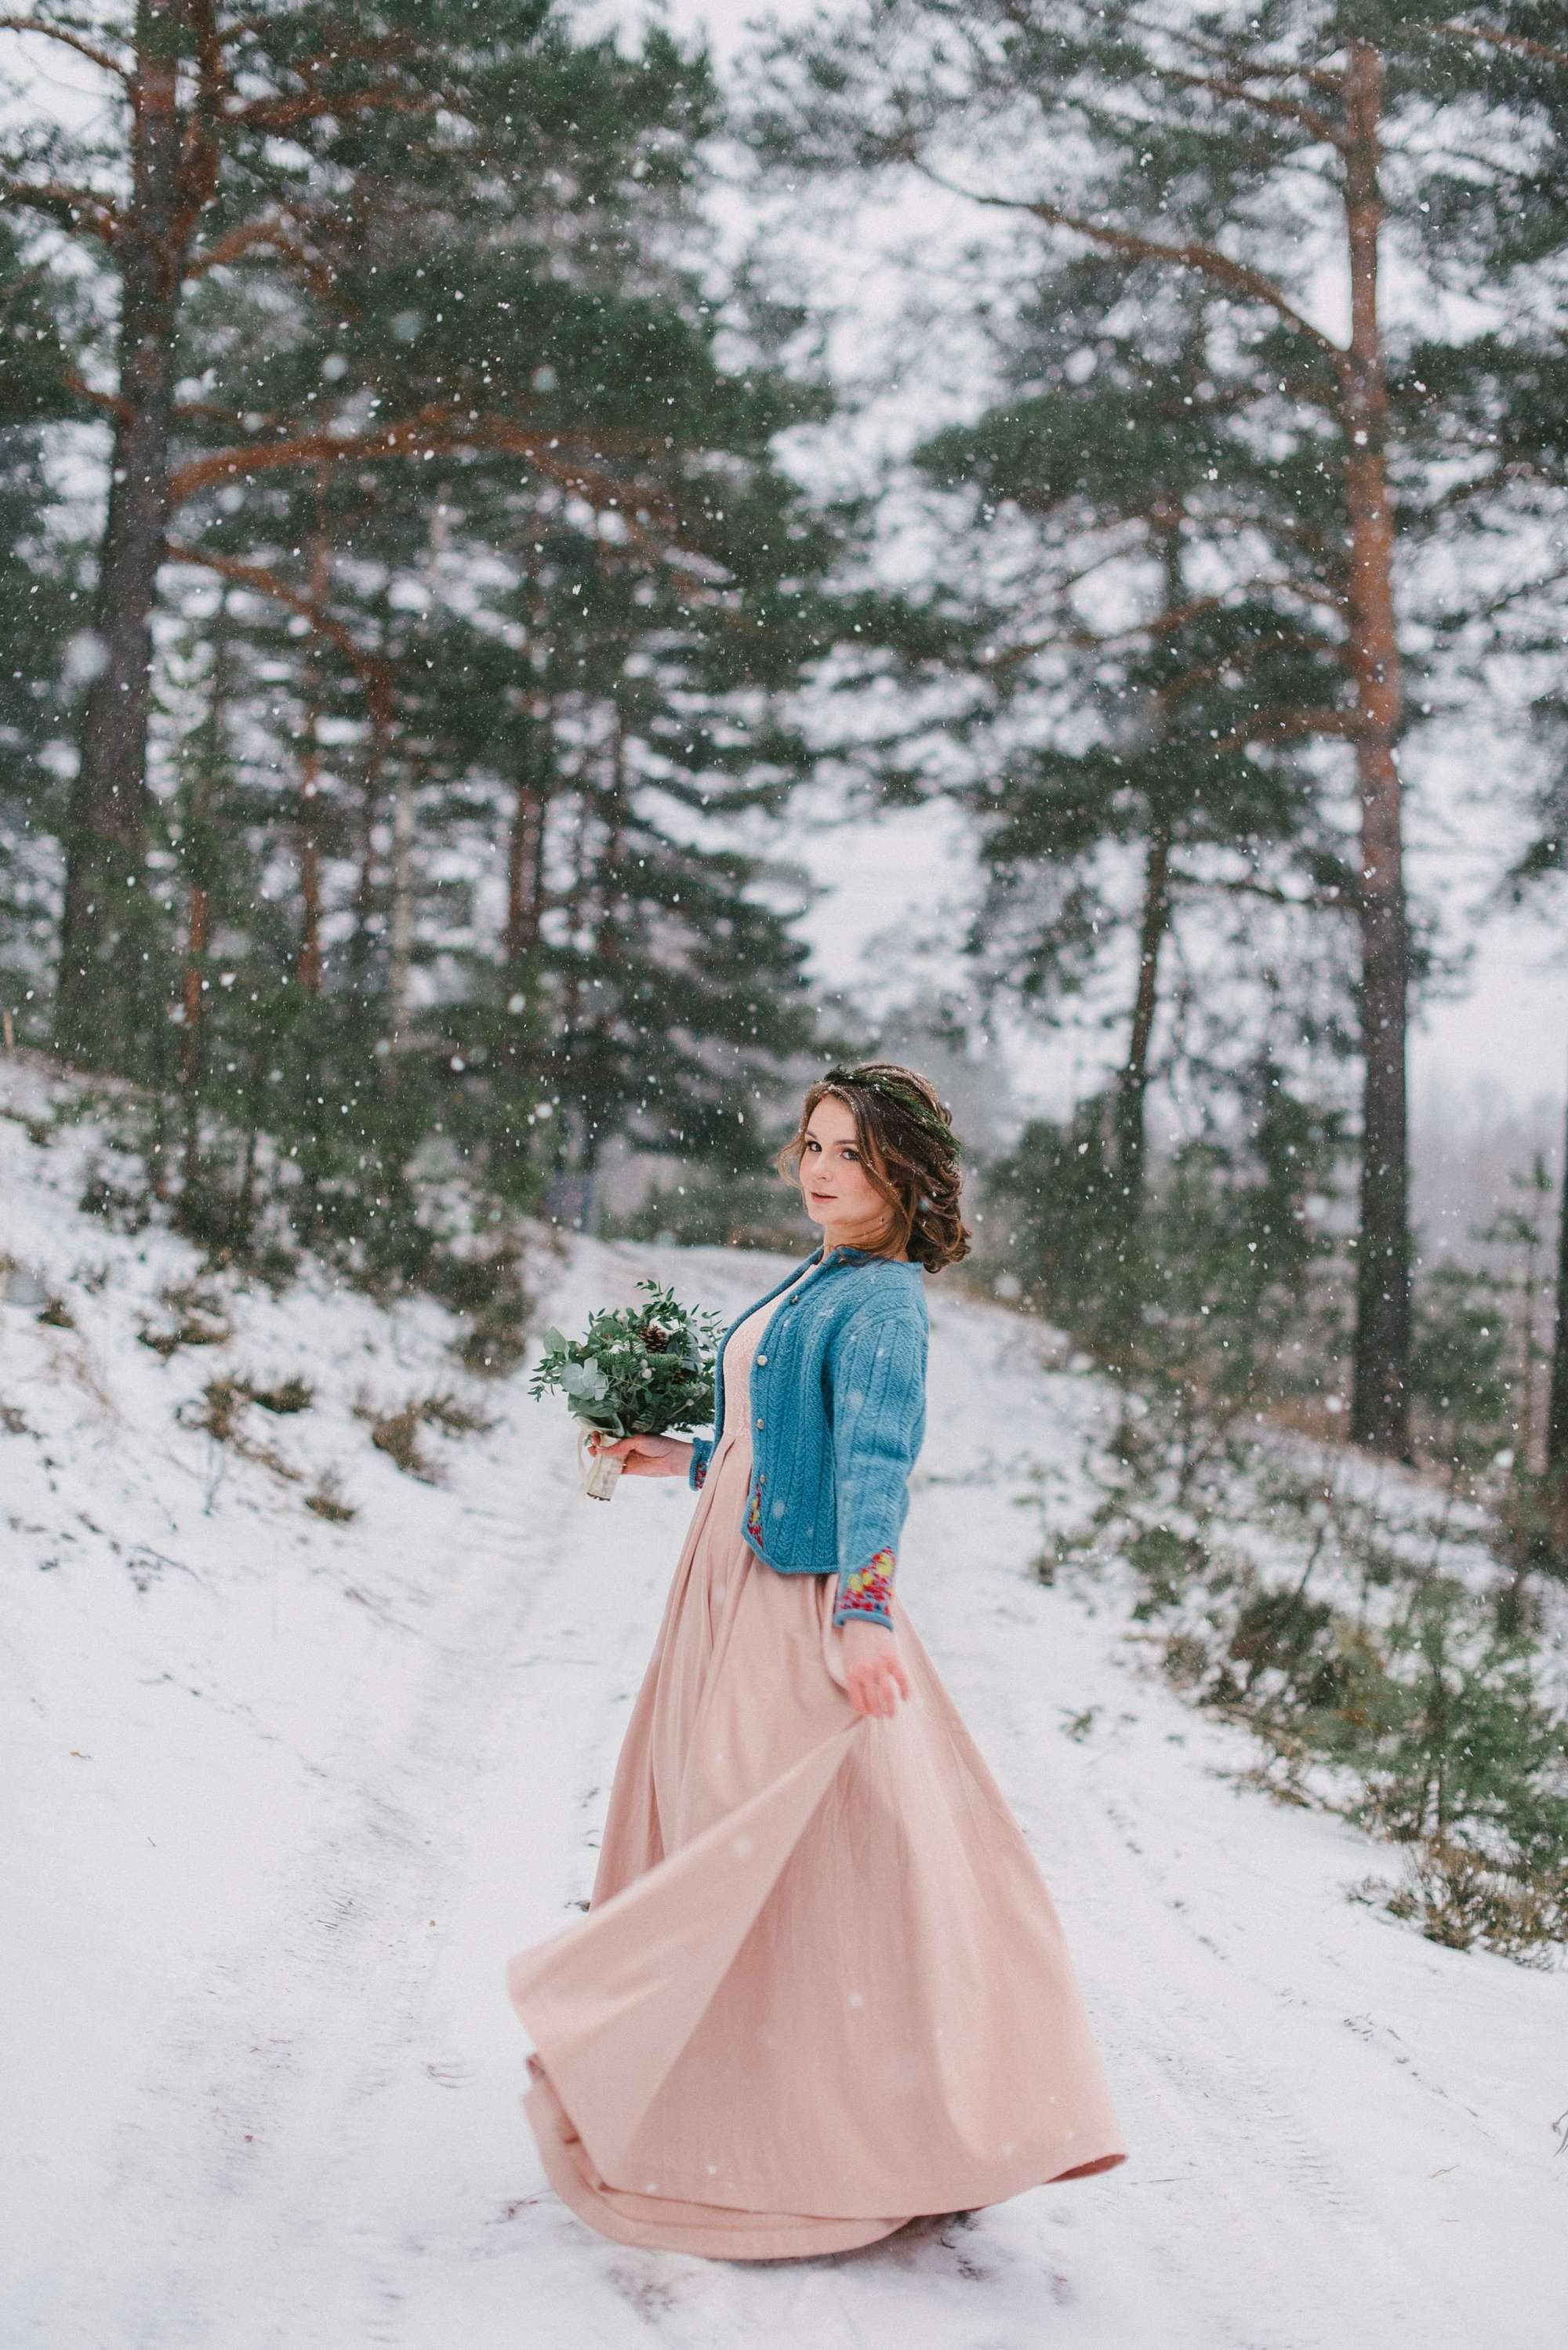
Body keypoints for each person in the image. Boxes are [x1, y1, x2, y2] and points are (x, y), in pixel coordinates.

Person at [506, 1062, 1127, 2259]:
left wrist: (865, 1609)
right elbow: (774, 1440)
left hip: (796, 1597)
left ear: (903, 1175)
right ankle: (753, 2103)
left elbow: (873, 1465)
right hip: (727, 1577)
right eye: (811, 1143)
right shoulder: (822, 1274)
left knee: (759, 1846)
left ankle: (833, 2129)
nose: (819, 1168)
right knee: (737, 1838)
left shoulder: (884, 1302)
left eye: (847, 1151)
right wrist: (673, 1456)